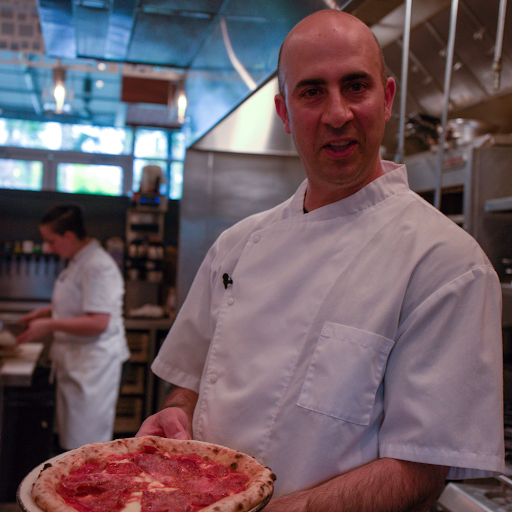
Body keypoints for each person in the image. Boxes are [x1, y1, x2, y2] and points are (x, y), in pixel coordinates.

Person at [136, 10, 504, 511]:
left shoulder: (447, 265)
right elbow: (189, 384)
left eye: (356, 86)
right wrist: (177, 414)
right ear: (285, 112)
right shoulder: (235, 246)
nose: (337, 114)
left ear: (387, 99)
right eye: (312, 92)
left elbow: (420, 467)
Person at [18, 204, 130, 451]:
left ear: (69, 236)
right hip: (78, 364)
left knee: (86, 446)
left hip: (94, 369)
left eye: (51, 241)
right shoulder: (78, 261)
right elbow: (81, 302)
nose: (48, 248)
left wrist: (49, 324)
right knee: (71, 442)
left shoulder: (97, 265)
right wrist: (47, 312)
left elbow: (99, 321)